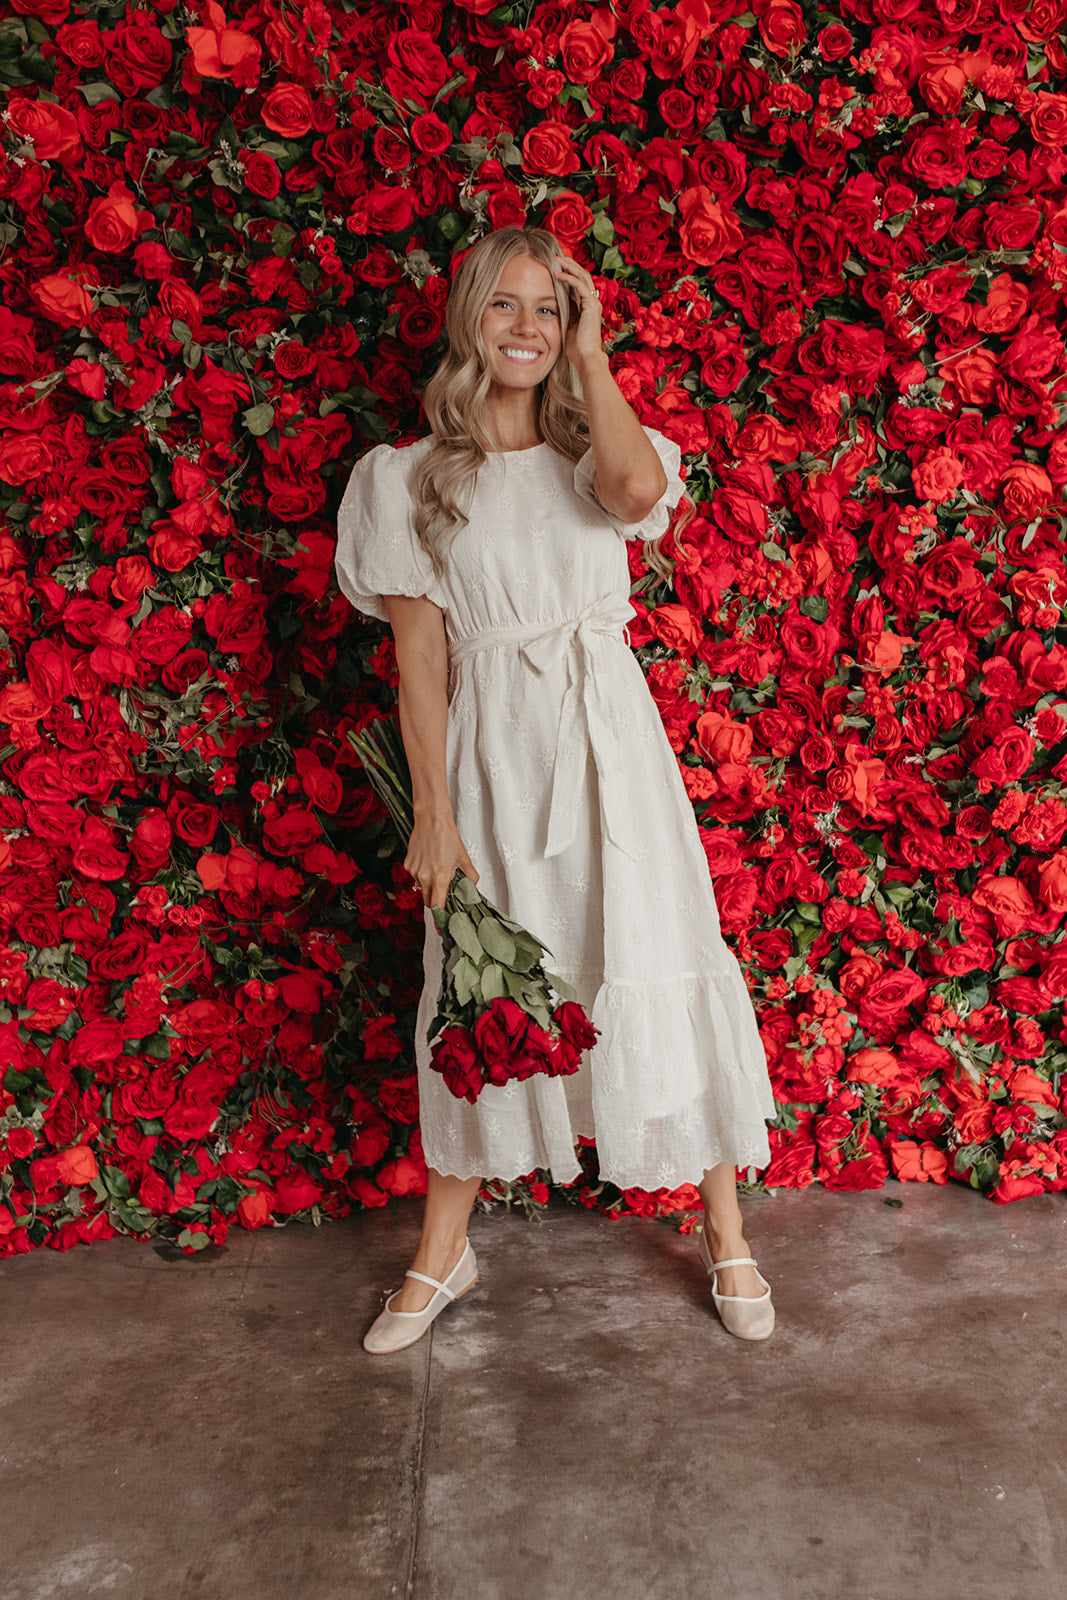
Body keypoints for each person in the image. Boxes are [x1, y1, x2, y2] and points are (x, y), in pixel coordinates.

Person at [334, 225, 778, 1353]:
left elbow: (636, 494)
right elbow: (422, 662)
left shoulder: (598, 450)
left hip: (607, 747)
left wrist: (591, 357)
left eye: (548, 308)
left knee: (650, 951)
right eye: (505, 307)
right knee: (484, 988)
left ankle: (723, 1228)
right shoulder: (404, 478)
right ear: (467, 319)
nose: (525, 328)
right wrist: (433, 813)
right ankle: (446, 1250)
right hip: (493, 753)